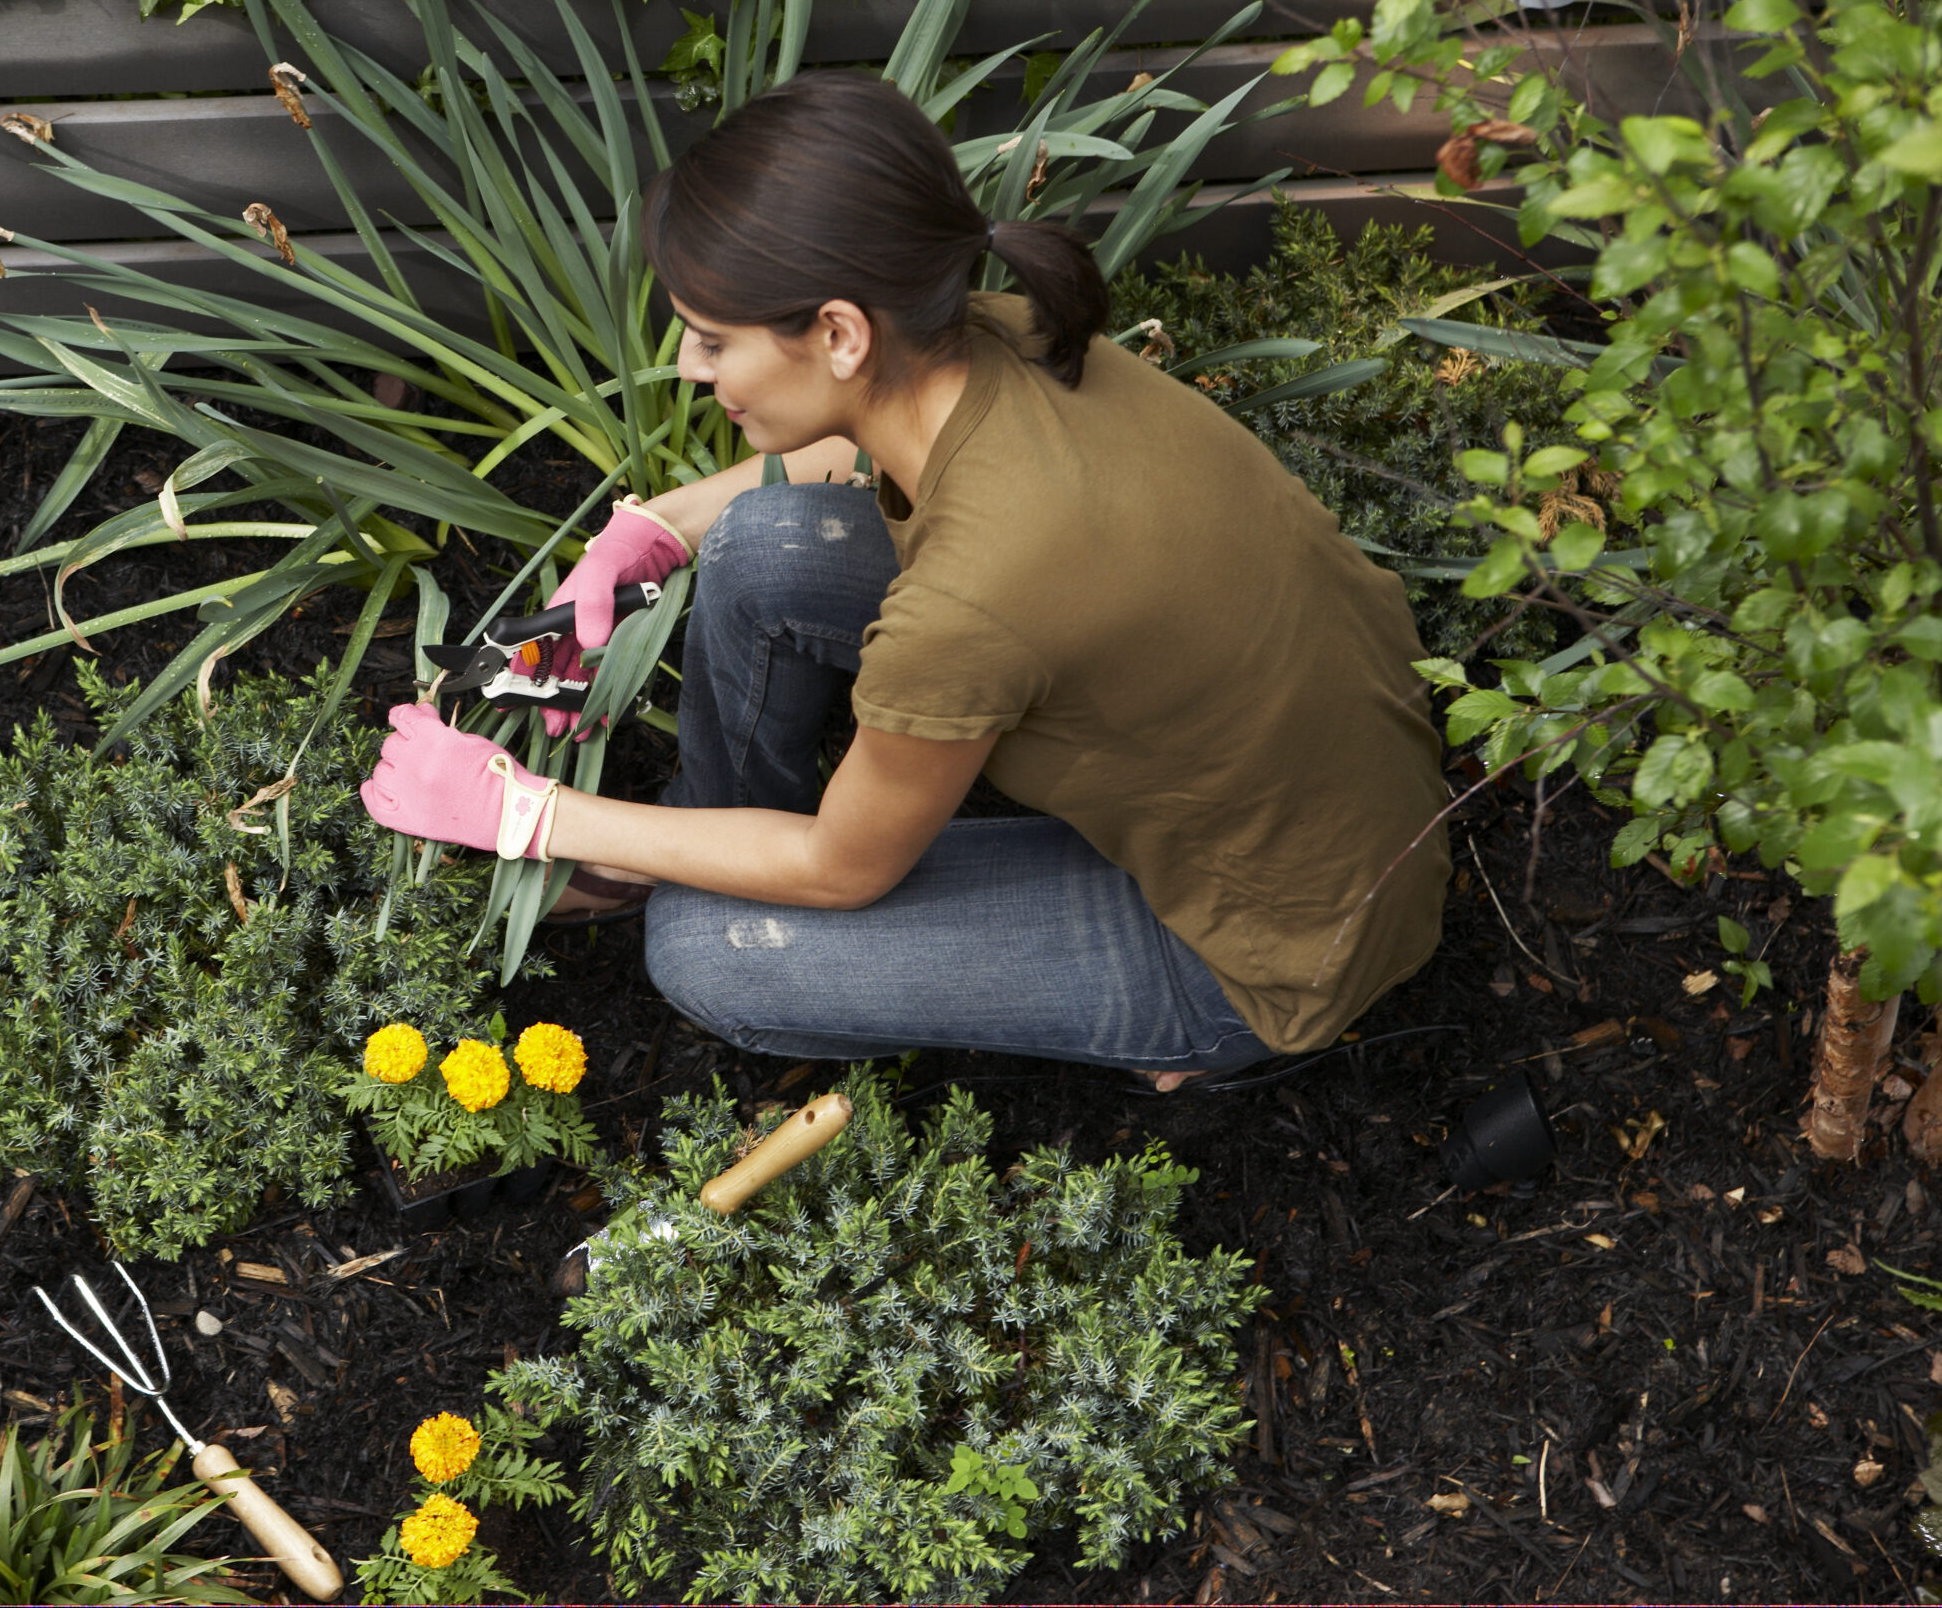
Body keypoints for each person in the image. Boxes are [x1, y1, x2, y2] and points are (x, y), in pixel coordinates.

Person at [358, 71, 1451, 1088]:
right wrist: (657, 527)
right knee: (759, 544)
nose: (691, 369)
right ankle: (710, 833)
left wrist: (530, 816)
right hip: (1333, 777)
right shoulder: (991, 333)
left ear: (837, 332)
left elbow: (844, 871)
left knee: (707, 948)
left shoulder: (971, 603)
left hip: (1267, 945)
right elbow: (861, 444)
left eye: (710, 340)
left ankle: (1199, 1041)